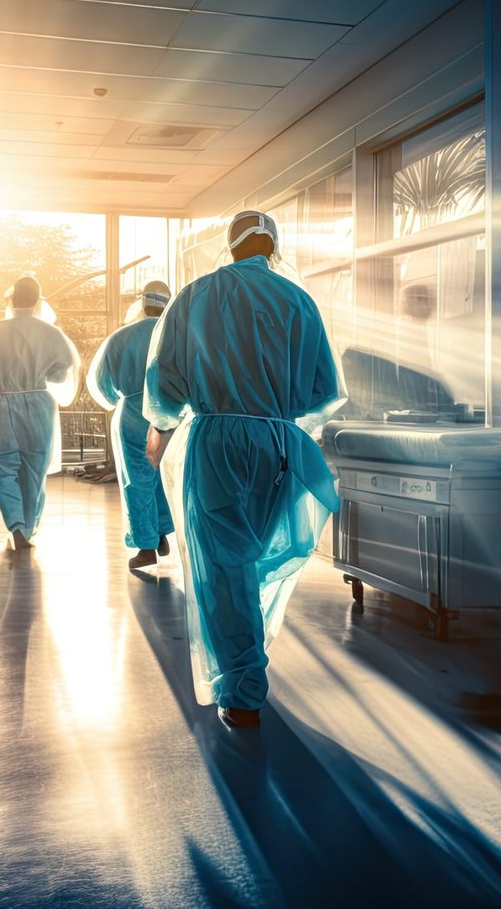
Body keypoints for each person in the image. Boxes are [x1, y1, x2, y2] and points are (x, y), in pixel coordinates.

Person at [143, 210, 345, 730]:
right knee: (252, 556)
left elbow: (166, 385)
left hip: (215, 442)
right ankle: (245, 667)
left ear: (229, 247)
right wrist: (274, 406)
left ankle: (243, 689)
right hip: (278, 441)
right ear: (272, 247)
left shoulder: (195, 297)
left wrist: (161, 428)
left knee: (223, 564)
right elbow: (323, 391)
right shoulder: (298, 301)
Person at [0, 275, 81, 551]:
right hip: (40, 406)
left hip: (5, 404)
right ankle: (27, 529)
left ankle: (15, 525)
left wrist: (1, 376)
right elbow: (61, 372)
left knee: (3, 467)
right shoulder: (51, 333)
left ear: (12, 299)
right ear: (38, 299)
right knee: (35, 469)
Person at [87, 280, 175, 570]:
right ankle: (162, 531)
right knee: (165, 475)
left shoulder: (120, 338)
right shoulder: (177, 335)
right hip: (170, 414)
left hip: (133, 416)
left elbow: (102, 385)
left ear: (141, 302)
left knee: (136, 479)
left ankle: (146, 546)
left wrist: (121, 396)